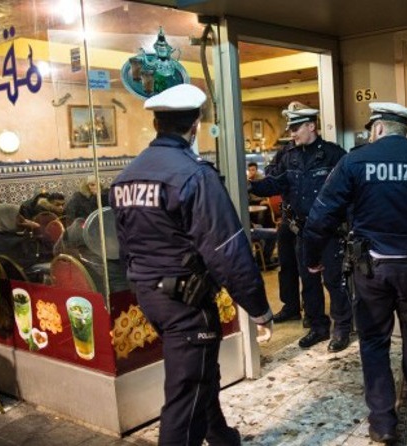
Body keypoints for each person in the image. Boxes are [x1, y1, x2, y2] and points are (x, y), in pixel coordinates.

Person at [109, 83, 273, 446]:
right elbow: (227, 249)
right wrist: (258, 308)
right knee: (187, 394)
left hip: (150, 296)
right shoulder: (194, 175)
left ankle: (221, 437)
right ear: (195, 124)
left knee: (199, 372)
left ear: (156, 125)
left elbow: (125, 244)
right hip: (186, 300)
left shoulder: (126, 177)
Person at [303, 102, 407, 443]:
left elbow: (321, 217)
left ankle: (383, 422)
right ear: (404, 129)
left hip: (370, 269)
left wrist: (313, 257)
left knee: (374, 341)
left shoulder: (355, 161)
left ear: (377, 128)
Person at [249, 100, 352, 352]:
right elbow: (275, 183)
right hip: (302, 231)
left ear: (311, 126)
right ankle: (317, 326)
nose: (291, 133)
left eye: (296, 128)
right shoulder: (289, 157)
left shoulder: (333, 154)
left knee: (334, 280)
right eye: (290, 128)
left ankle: (342, 328)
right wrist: (250, 186)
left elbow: (350, 190)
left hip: (328, 230)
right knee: (309, 280)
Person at [264, 148, 306, 328]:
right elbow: (270, 175)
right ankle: (291, 307)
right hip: (288, 217)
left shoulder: (317, 151)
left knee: (308, 267)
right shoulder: (285, 152)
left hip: (308, 218)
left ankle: (313, 311)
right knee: (286, 264)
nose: (294, 133)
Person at [0, 203, 54, 270]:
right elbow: (50, 252)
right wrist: (37, 228)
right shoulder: (20, 244)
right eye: (17, 216)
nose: (22, 218)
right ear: (7, 220)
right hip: (27, 279)